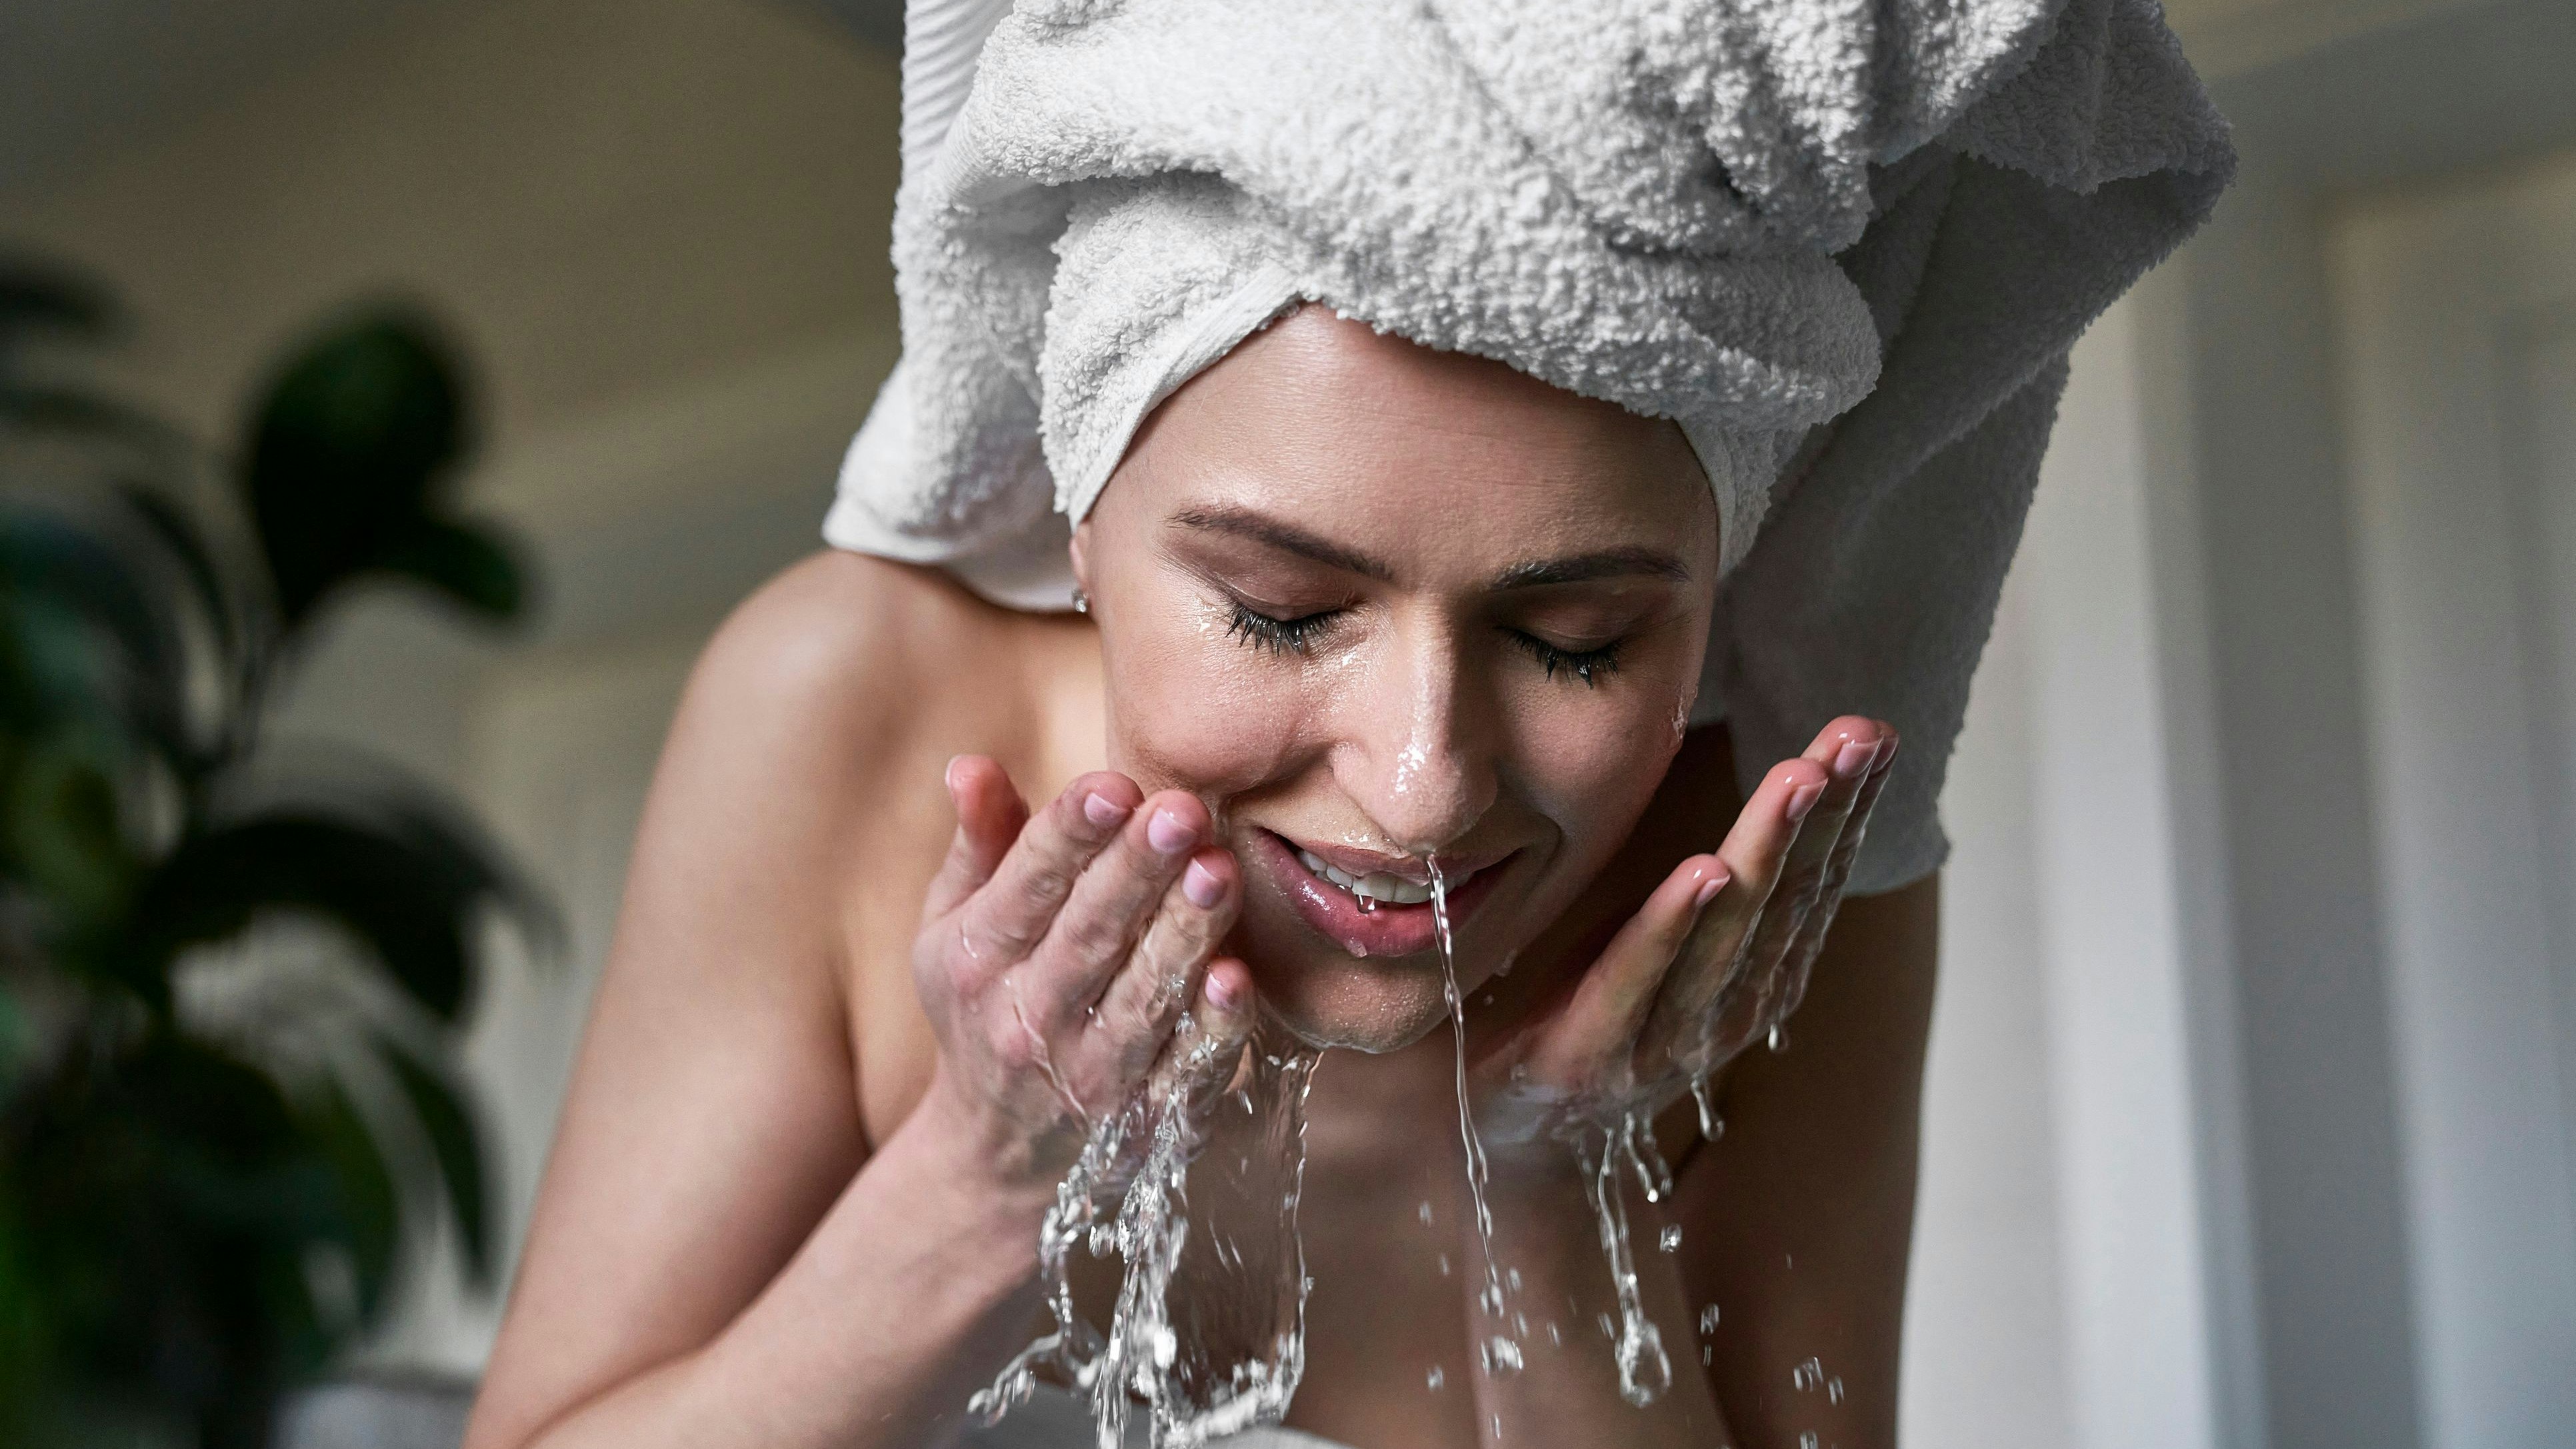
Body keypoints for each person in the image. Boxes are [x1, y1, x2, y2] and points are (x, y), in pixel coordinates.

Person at [463, 3, 2231, 1447]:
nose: (1422, 782)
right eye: (1282, 610)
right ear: (1082, 518)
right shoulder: (842, 711)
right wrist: (985, 1184)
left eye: (1580, 638)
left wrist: (1551, 1190)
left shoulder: (1758, 879)